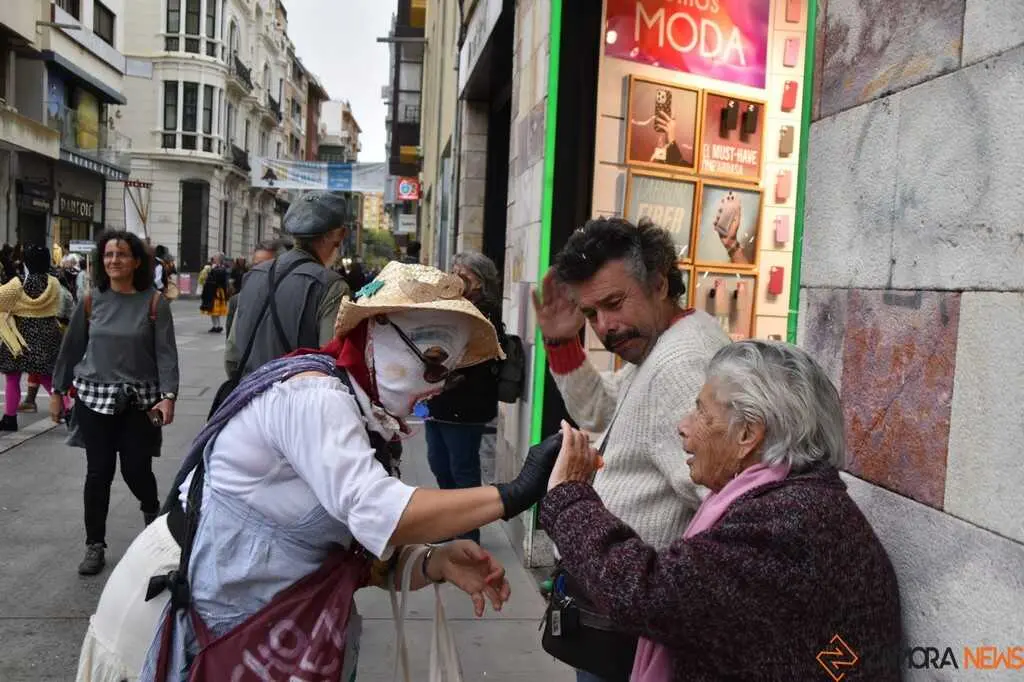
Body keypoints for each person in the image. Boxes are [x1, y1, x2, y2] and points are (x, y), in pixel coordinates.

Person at [74, 261, 564, 682]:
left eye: (449, 370)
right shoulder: (314, 398)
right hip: (197, 620)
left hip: (265, 628)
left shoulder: (364, 414)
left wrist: (432, 562)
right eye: (433, 361)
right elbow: (374, 511)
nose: (438, 386)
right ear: (378, 335)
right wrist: (515, 492)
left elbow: (341, 544)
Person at [542, 341, 903, 680]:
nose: (683, 426)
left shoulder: (793, 521)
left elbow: (645, 595)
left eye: (700, 411)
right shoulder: (797, 502)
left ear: (748, 434)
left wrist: (570, 497)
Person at [532, 217, 729, 682]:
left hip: (635, 629)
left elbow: (718, 500)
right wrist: (563, 343)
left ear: (660, 283)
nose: (605, 326)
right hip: (621, 614)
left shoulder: (681, 363)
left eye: (614, 304)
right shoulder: (661, 347)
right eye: (591, 314)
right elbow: (606, 414)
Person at [52, 230, 179, 576]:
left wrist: (168, 397)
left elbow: (166, 355)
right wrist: (57, 390)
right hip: (94, 398)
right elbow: (72, 347)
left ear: (137, 261)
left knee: (136, 468)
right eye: (108, 255)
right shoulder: (92, 301)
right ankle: (95, 545)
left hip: (140, 400)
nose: (113, 261)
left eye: (121, 254)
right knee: (98, 473)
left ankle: (152, 511)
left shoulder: (155, 303)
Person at [225, 191, 352, 379]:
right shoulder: (331, 286)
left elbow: (232, 356)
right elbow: (331, 362)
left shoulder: (254, 275)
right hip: (300, 402)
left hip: (250, 398)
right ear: (340, 235)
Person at [424, 252, 503, 542]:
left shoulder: (487, 311)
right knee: (438, 462)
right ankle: (450, 524)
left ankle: (468, 535)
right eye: (453, 270)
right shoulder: (451, 305)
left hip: (466, 404)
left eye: (462, 274)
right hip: (439, 401)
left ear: (479, 283)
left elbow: (471, 352)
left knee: (463, 469)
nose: (455, 277)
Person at [0, 245, 67, 431]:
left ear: (27, 262)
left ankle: (10, 418)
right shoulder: (54, 283)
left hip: (21, 335)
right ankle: (69, 411)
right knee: (48, 377)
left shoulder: (18, 283)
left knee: (12, 377)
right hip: (47, 333)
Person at [223, 240, 283, 349]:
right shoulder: (237, 301)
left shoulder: (287, 298)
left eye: (266, 265)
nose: (260, 270)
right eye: (256, 265)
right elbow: (232, 346)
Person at [198, 253, 229, 332]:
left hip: (217, 291)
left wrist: (212, 270)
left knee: (215, 310)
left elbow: (219, 278)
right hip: (211, 290)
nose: (213, 259)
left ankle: (218, 326)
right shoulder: (213, 266)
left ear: (219, 259)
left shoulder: (222, 268)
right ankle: (215, 326)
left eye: (215, 257)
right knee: (212, 310)